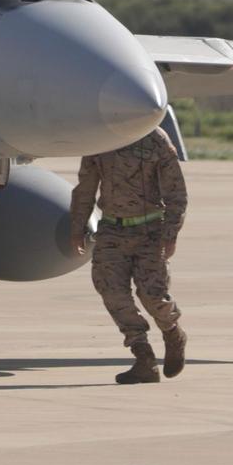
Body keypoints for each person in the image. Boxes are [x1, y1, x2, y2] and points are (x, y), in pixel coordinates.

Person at [69, 126, 188, 384]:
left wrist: (171, 233)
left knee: (152, 295)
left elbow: (176, 193)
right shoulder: (98, 137)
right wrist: (77, 227)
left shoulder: (156, 139)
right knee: (111, 291)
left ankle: (172, 332)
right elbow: (86, 187)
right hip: (112, 229)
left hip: (150, 231)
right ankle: (143, 356)